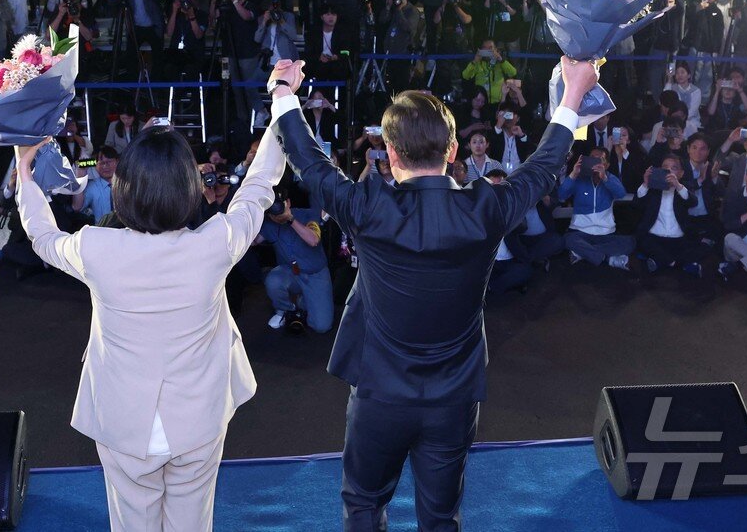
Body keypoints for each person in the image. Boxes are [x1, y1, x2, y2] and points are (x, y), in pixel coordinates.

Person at [268, 55, 593, 532]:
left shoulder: (367, 206)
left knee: (362, 504)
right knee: (440, 519)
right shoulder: (487, 207)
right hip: (453, 398)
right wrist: (572, 96)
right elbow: (544, 168)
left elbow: (309, 161)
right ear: (455, 149)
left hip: (378, 394)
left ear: (390, 154)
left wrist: (283, 92)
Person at [13, 121, 286, 532]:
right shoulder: (216, 242)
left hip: (123, 421)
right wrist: (283, 103)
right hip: (198, 417)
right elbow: (259, 184)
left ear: (125, 187)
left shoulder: (96, 247)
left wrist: (23, 169)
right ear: (188, 188)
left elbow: (41, 235)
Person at [259, 196, 333, 333]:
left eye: (279, 206)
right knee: (273, 280)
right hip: (290, 273)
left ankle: (303, 301)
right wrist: (255, 215)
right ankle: (285, 310)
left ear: (288, 202)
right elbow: (252, 242)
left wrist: (290, 219)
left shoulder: (308, 214)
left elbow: (313, 240)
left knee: (322, 326)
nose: (276, 212)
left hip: (315, 274)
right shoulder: (269, 223)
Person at [559, 147, 636, 271]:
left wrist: (605, 177)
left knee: (630, 242)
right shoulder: (579, 179)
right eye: (591, 159)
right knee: (568, 239)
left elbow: (621, 193)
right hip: (580, 232)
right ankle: (609, 259)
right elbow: (561, 195)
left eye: (600, 160)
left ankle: (582, 253)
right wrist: (574, 173)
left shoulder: (610, 178)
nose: (595, 162)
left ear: (607, 164)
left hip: (605, 234)